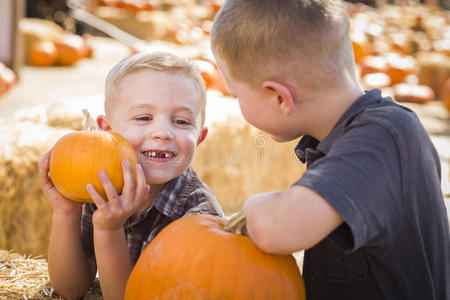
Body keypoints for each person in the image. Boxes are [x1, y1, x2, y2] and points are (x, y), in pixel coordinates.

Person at [210, 0, 450, 299]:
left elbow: (278, 229)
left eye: (237, 95)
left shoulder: (383, 137)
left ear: (280, 98)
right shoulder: (344, 140)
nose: (236, 103)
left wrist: (255, 205)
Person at [38, 51, 223, 300]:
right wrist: (66, 212)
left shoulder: (199, 217)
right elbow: (70, 290)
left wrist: (108, 230)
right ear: (107, 131)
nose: (162, 133)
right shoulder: (100, 189)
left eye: (181, 121)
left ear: (199, 138)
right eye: (144, 117)